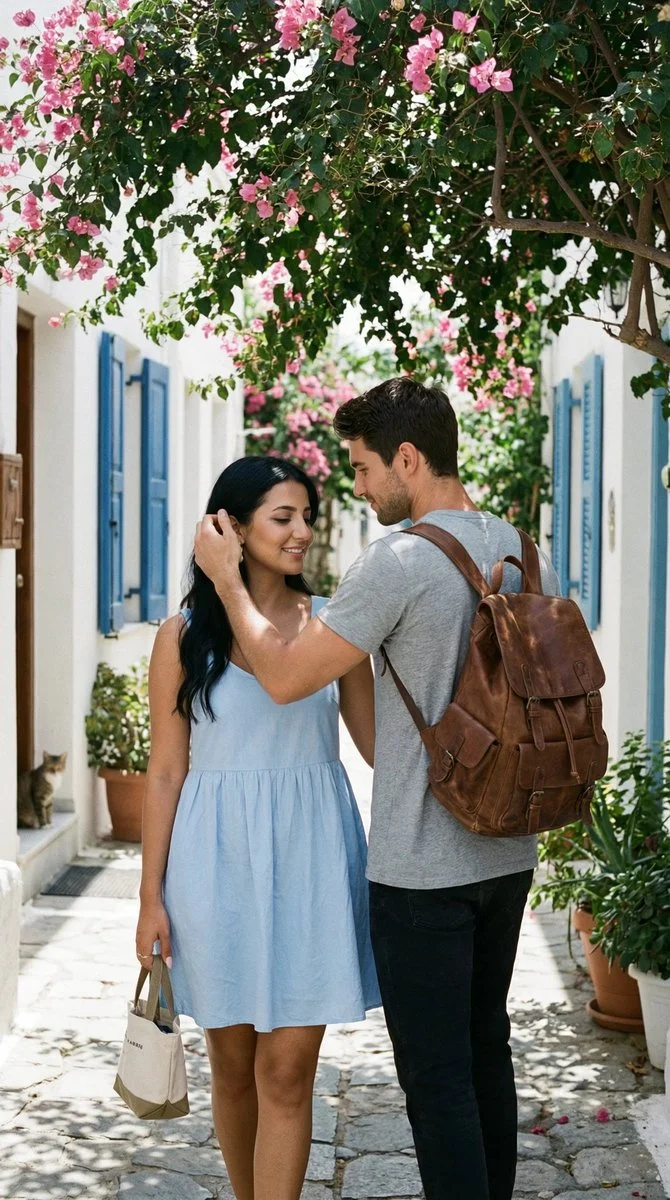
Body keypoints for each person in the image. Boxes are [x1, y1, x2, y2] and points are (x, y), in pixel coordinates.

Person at [193, 377, 561, 1200]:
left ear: (406, 457)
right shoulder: (520, 545)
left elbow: (286, 677)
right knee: (484, 1053)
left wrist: (224, 578)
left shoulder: (396, 561)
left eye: (361, 468)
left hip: (422, 865)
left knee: (437, 1082)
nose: (355, 488)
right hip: (507, 849)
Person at [135, 456, 380, 1200]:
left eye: (308, 516)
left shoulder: (332, 625)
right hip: (214, 868)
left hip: (310, 861)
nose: (304, 531)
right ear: (230, 530)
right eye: (284, 517)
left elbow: (378, 749)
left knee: (288, 1070)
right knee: (233, 1068)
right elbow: (166, 771)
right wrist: (150, 896)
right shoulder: (181, 637)